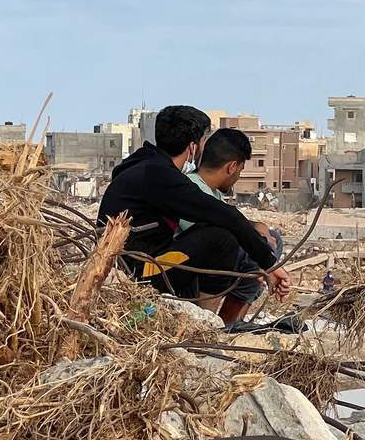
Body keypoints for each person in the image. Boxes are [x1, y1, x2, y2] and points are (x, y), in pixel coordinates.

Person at [97, 106, 290, 318]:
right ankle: (205, 322)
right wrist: (270, 265)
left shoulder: (144, 165)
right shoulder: (161, 176)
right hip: (139, 271)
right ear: (192, 147)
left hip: (135, 262)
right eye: (203, 141)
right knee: (221, 238)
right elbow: (224, 215)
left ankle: (202, 316)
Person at [178, 127, 291, 326]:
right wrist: (261, 262)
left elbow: (229, 219)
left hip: (207, 259)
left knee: (272, 239)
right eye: (240, 170)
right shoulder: (191, 188)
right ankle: (211, 324)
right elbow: (210, 232)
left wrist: (259, 229)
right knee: (251, 254)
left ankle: (230, 321)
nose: (238, 176)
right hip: (186, 264)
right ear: (231, 167)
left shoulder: (211, 191)